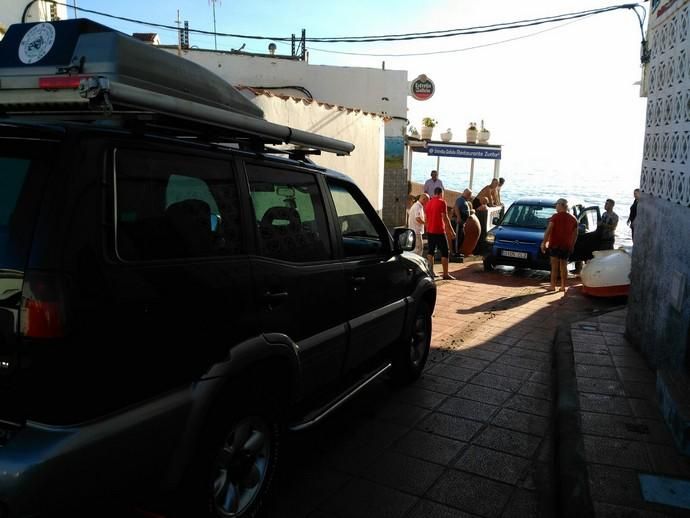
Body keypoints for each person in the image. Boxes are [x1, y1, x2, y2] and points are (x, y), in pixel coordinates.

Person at [541, 198, 578, 293]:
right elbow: (575, 234)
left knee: (554, 266)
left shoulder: (555, 217)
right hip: (566, 246)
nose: (555, 207)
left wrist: (544, 242)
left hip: (555, 244)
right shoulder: (573, 218)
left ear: (561, 205)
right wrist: (572, 245)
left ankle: (552, 286)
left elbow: (548, 230)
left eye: (556, 205)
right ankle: (563, 287)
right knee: (563, 266)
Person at [425, 187, 456, 280]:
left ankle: (431, 272)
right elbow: (445, 218)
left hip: (430, 230)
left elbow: (427, 218)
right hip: (439, 231)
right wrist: (452, 231)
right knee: (445, 252)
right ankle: (445, 274)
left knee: (431, 251)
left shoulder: (428, 203)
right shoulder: (442, 202)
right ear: (440, 193)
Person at [453, 188, 473, 258]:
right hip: (459, 222)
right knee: (458, 237)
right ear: (467, 194)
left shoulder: (464, 200)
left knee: (462, 236)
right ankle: (455, 253)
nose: (470, 196)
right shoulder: (460, 200)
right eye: (470, 195)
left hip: (462, 223)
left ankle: (457, 251)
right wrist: (458, 217)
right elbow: (456, 207)